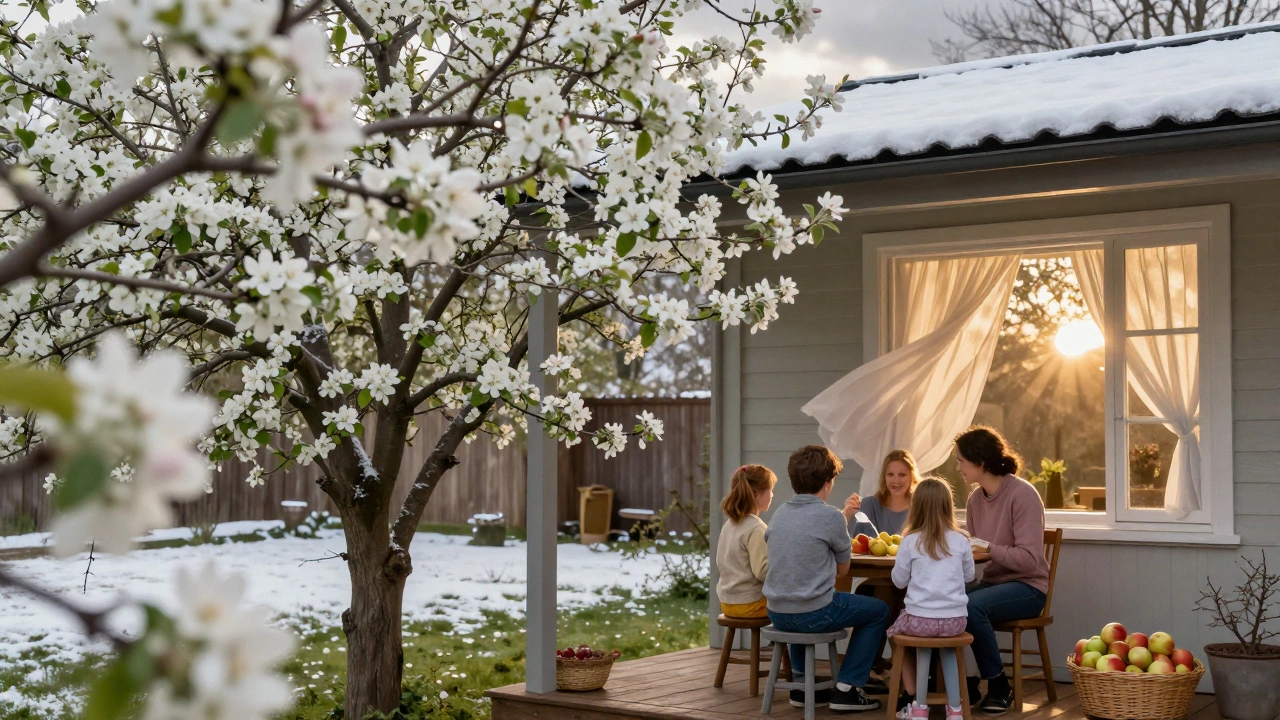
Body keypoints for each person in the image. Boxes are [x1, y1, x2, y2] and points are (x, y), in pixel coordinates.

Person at [764, 445, 889, 713]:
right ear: (827, 482)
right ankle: (847, 688)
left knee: (799, 598)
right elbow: (843, 570)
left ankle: (801, 684)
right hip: (813, 612)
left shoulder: (780, 513)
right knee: (878, 610)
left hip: (777, 612)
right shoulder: (831, 516)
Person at [955, 426, 1050, 715]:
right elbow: (977, 553)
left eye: (961, 461)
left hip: (1028, 587)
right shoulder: (975, 499)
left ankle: (998, 685)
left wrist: (989, 548)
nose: (957, 467)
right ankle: (966, 683)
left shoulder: (1023, 495)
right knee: (942, 600)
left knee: (971, 606)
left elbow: (1030, 560)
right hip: (993, 583)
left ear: (980, 461)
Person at [888, 477, 975, 720]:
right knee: (947, 649)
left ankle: (919, 706)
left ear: (916, 507)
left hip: (920, 623)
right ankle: (955, 709)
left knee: (900, 633)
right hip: (955, 623)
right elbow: (970, 576)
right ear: (948, 506)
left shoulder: (910, 541)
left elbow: (898, 581)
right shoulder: (961, 540)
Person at [716, 464, 777, 619]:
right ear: (757, 495)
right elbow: (762, 572)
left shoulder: (729, 524)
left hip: (727, 603)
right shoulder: (757, 528)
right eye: (770, 490)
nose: (772, 495)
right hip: (751, 604)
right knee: (793, 606)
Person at [842, 449, 921, 537]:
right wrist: (846, 515)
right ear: (884, 476)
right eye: (890, 474)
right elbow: (843, 539)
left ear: (912, 476)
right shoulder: (868, 505)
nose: (896, 480)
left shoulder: (921, 508)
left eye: (902, 475)